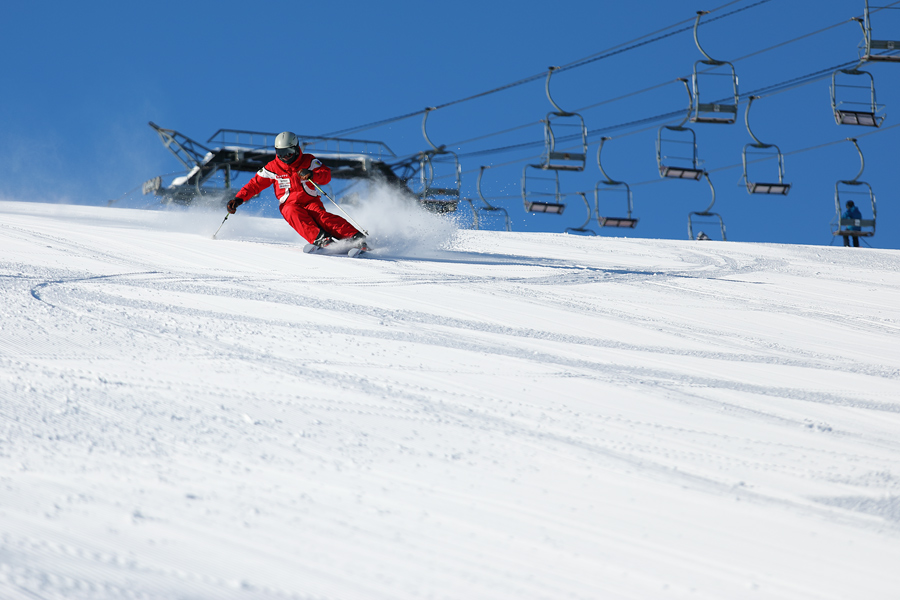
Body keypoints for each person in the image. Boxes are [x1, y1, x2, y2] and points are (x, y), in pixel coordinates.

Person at [226, 131, 366, 250]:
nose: (285, 157)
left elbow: (326, 175)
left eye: (289, 153)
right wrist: (238, 199)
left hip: (311, 202)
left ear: (296, 149)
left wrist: (313, 174)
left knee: (323, 218)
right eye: (281, 153)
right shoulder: (272, 168)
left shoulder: (309, 161)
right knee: (291, 212)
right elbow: (254, 185)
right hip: (290, 204)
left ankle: (356, 238)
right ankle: (320, 239)